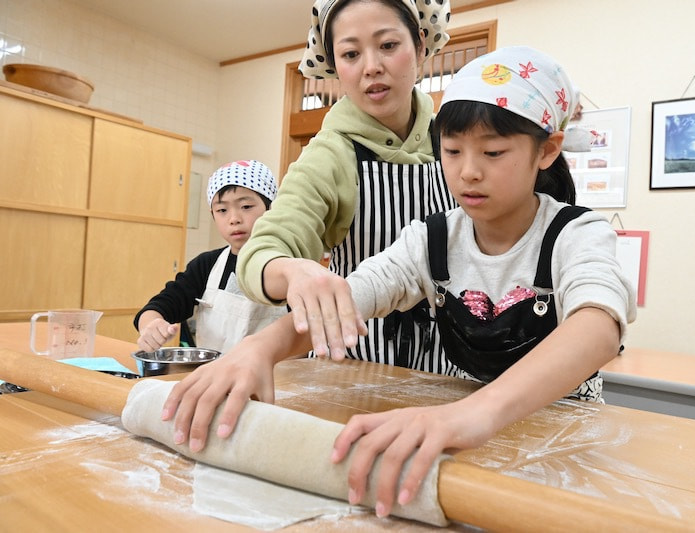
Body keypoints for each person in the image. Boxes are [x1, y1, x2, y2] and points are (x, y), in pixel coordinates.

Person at [162, 46, 636, 518]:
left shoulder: (576, 233)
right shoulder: (432, 240)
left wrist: (477, 414)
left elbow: (598, 327)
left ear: (547, 151)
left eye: (493, 152)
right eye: (451, 152)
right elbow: (348, 297)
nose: (468, 171)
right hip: (459, 442)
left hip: (561, 440)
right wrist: (259, 349)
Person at [235, 0, 459, 372]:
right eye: (351, 53)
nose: (372, 67)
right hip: (355, 362)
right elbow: (263, 250)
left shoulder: (451, 139)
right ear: (335, 65)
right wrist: (292, 271)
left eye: (388, 45)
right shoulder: (330, 154)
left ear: (420, 45)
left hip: (452, 363)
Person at [134, 160, 286, 354]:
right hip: (213, 377)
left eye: (246, 206)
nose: (234, 219)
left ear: (271, 208)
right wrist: (151, 324)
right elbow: (164, 303)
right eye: (222, 210)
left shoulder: (287, 265)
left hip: (275, 380)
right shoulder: (206, 265)